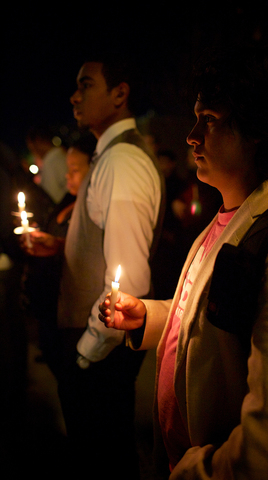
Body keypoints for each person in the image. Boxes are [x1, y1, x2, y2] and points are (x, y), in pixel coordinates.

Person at [99, 44, 268, 480]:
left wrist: (203, 471)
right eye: (196, 117)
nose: (191, 134)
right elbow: (216, 324)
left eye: (211, 120)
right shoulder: (224, 221)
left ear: (257, 130)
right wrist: (150, 316)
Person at [50, 52, 163, 478]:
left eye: (86, 85)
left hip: (99, 351)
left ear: (120, 93)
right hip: (95, 345)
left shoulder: (122, 160)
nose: (74, 96)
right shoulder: (110, 155)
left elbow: (128, 277)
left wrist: (84, 354)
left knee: (103, 457)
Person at [23, 134, 95, 377]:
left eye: (75, 170)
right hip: (50, 300)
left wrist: (57, 244)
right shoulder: (67, 200)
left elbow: (89, 251)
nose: (67, 176)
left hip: (73, 306)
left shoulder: (93, 210)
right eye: (67, 169)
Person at [26, 125, 68, 204]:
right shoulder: (58, 156)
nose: (33, 152)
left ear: (39, 141)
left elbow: (54, 195)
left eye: (31, 147)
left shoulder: (54, 161)